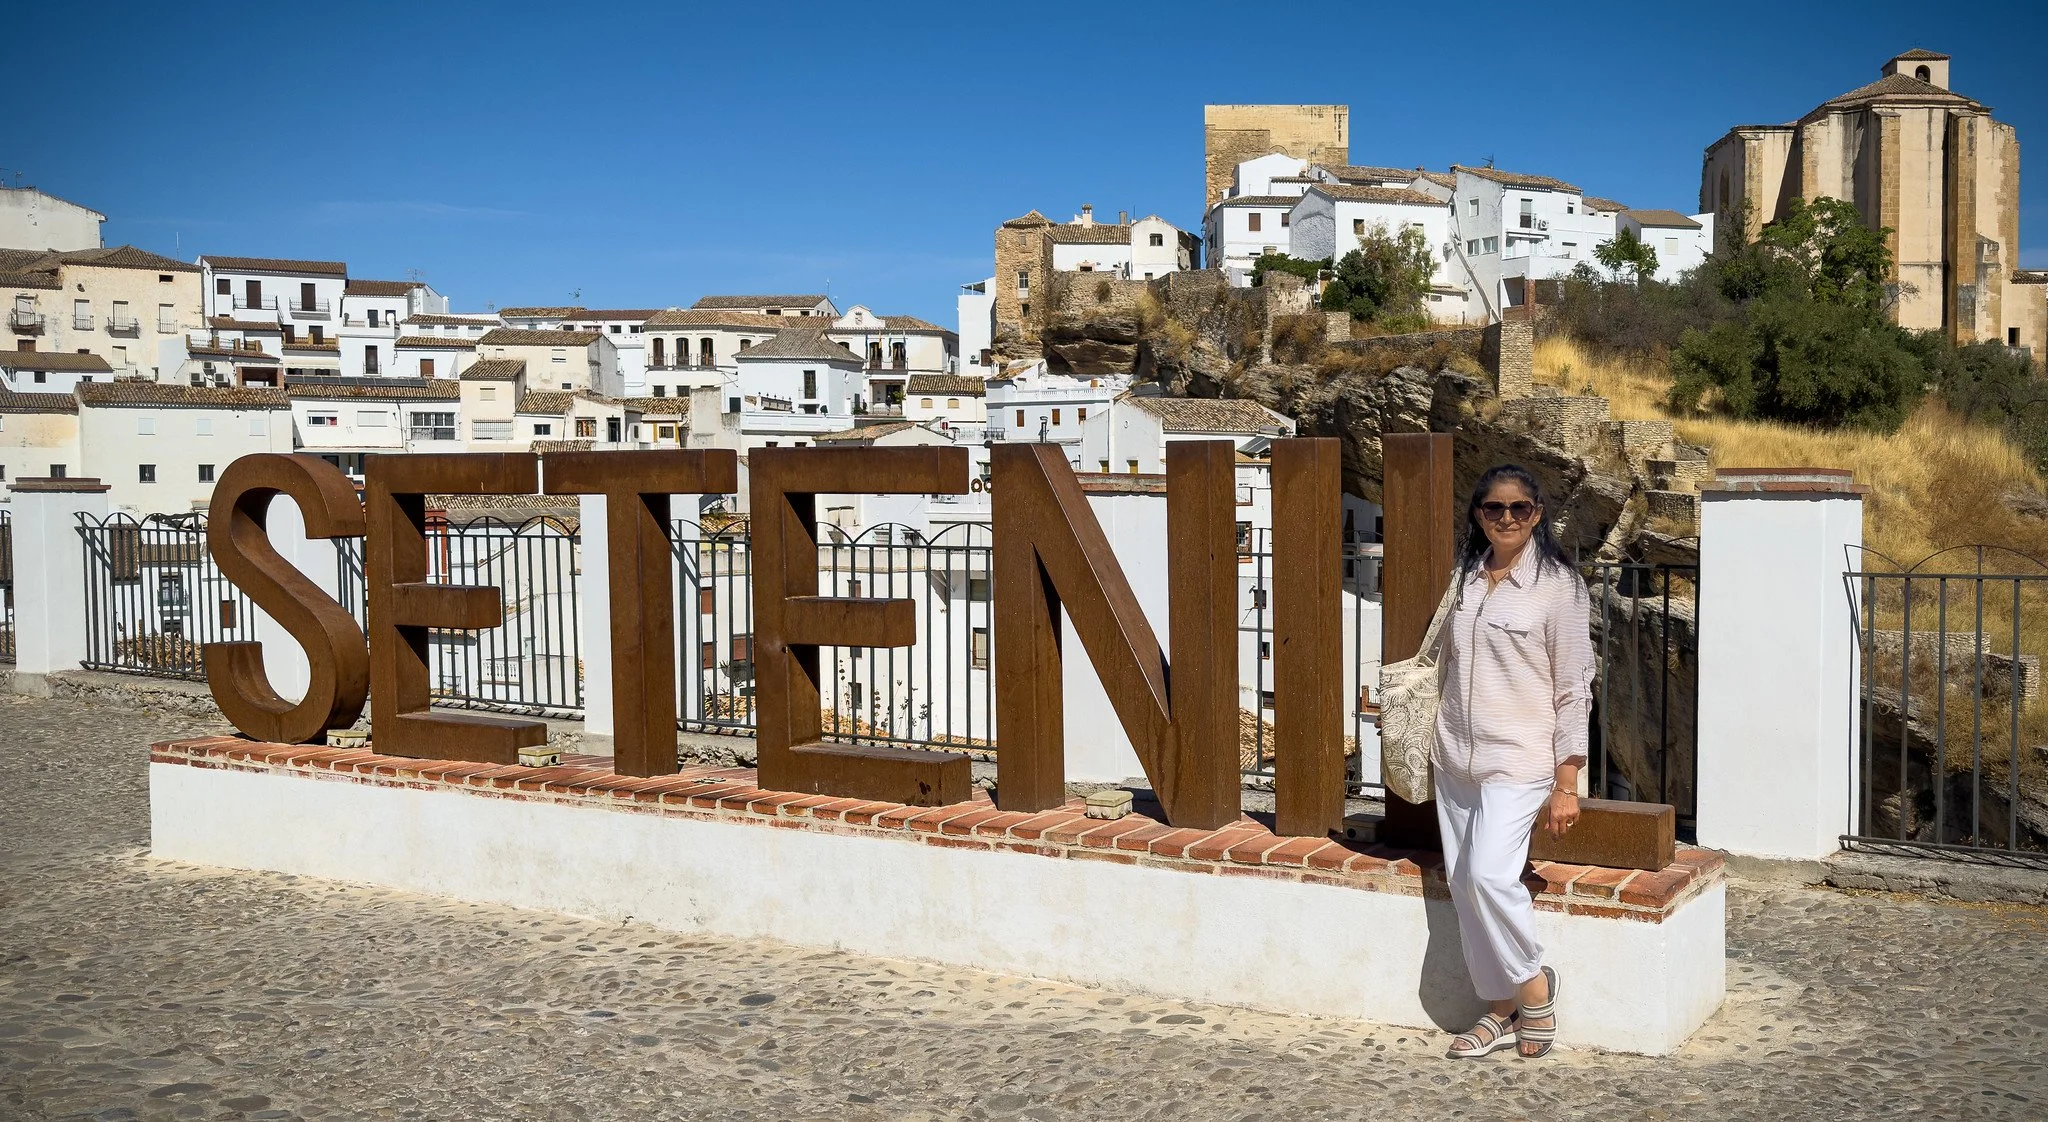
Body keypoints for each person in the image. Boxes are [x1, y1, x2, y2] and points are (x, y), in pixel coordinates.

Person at [1437, 464, 1593, 1060]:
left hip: (1520, 758)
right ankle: (1500, 1008)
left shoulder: (1559, 587)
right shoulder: (1466, 577)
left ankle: (1533, 988)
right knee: (1463, 885)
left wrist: (1567, 780)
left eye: (1519, 508)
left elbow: (1574, 686)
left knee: (1490, 876)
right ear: (1478, 515)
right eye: (1493, 508)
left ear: (1537, 514)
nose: (1506, 518)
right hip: (1454, 756)